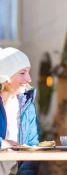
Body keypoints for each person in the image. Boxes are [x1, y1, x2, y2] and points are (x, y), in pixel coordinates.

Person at [0, 47, 40, 175]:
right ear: (6, 76)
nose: (29, 79)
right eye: (22, 73)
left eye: (28, 72)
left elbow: (32, 146)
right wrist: (3, 143)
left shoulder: (27, 105)